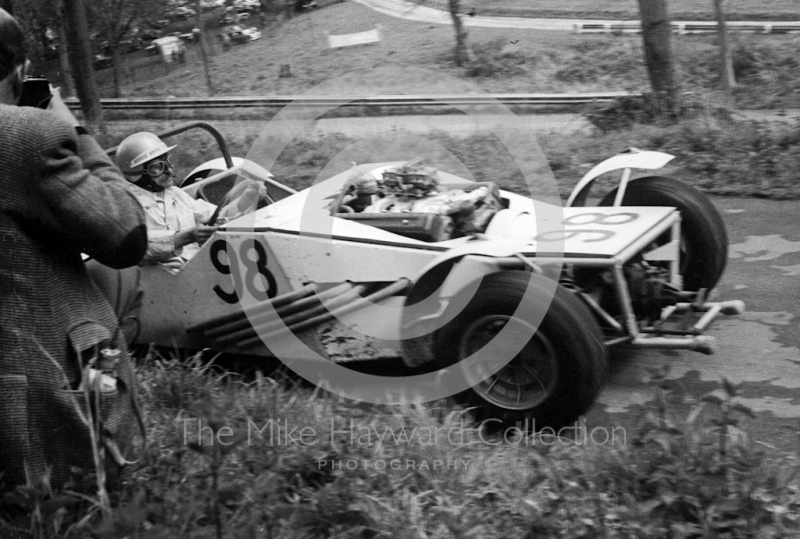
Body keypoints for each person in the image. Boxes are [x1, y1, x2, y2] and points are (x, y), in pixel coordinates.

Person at [0, 9, 147, 490]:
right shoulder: (27, 136)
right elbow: (125, 236)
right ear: (19, 73)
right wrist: (75, 131)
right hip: (39, 394)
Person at [115, 132, 218, 268]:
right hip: (167, 280)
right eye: (157, 167)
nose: (169, 170)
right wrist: (189, 236)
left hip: (199, 269)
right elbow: (136, 250)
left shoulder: (175, 193)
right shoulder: (126, 206)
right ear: (137, 174)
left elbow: (207, 213)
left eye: (167, 161)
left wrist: (237, 206)